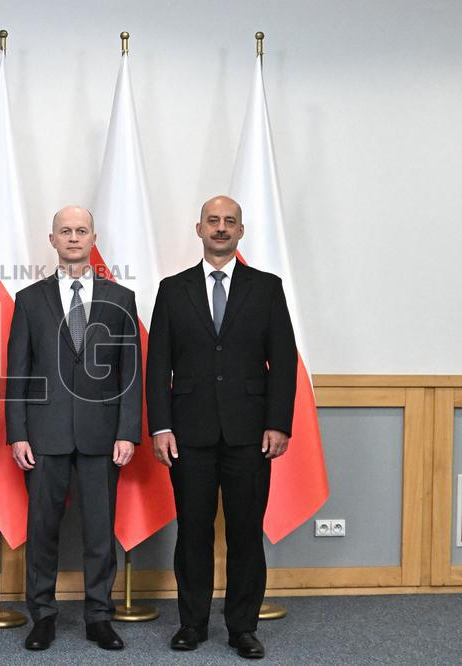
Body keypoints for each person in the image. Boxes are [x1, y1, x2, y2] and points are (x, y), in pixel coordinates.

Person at [146, 195, 297, 659]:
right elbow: (158, 366)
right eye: (213, 220)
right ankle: (191, 624)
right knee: (193, 531)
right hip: (188, 434)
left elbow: (284, 362)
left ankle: (242, 628)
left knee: (246, 532)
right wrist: (160, 426)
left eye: (230, 221)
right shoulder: (173, 289)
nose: (221, 227)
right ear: (199, 229)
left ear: (240, 231)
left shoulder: (266, 288)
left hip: (250, 433)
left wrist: (278, 423)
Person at [6, 205, 141, 652]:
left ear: (93, 238)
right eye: (65, 231)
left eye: (81, 230)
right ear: (52, 240)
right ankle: (42, 616)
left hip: (102, 434)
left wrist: (128, 431)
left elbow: (130, 372)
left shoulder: (121, 298)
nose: (74, 237)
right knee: (42, 529)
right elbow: (18, 371)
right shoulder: (29, 299)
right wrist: (17, 433)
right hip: (44, 434)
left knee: (99, 531)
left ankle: (98, 616)